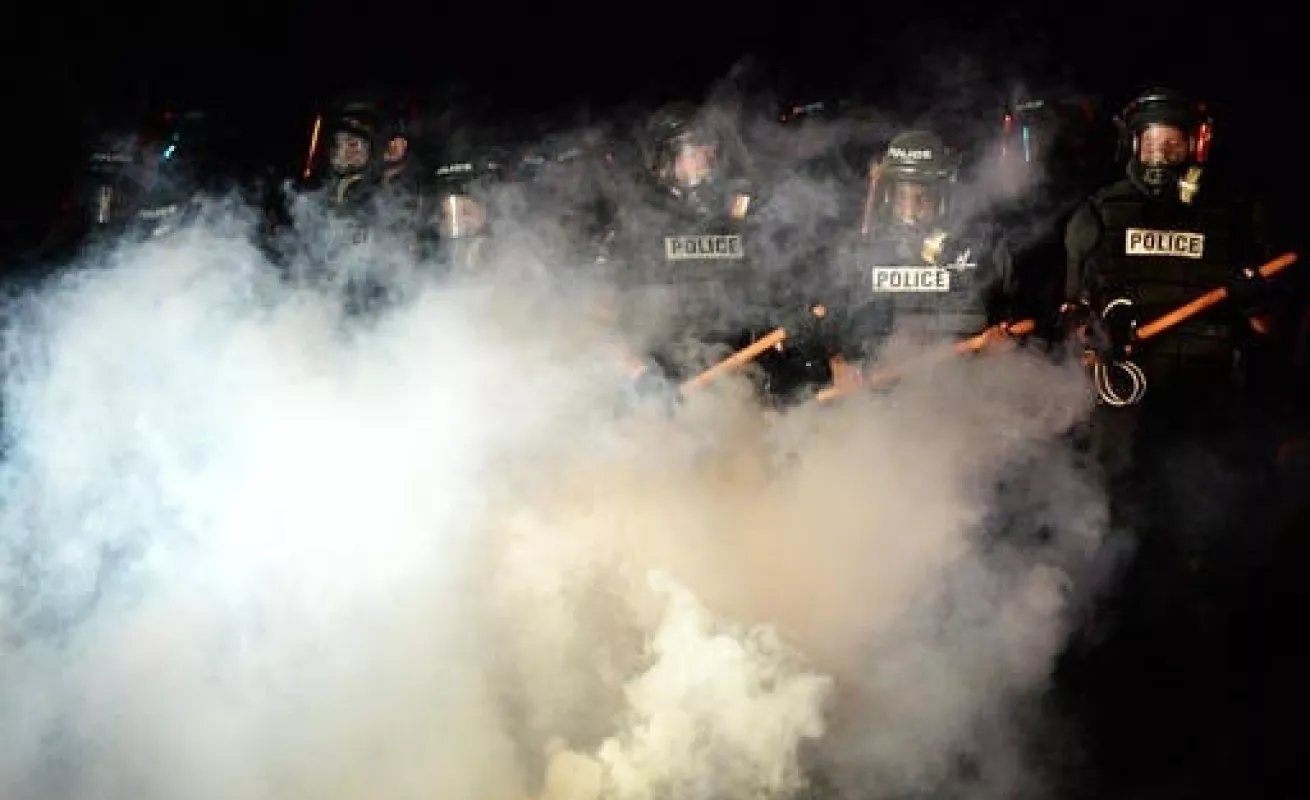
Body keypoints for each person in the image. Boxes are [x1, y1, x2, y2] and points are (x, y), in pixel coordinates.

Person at [1058, 85, 1290, 792]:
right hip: (1123, 422)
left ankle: (1209, 707)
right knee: (1115, 549)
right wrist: (1092, 336)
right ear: (1132, 145)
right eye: (1152, 141)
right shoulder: (1098, 215)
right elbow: (1071, 327)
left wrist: (1256, 303)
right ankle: (1100, 694)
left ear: (1196, 144)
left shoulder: (1237, 214)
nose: (1163, 153)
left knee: (1203, 556)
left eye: (1175, 141)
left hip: (1208, 414)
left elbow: (1268, 333)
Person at [798, 129, 1025, 398]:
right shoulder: (859, 251)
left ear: (943, 194)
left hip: (963, 391)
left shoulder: (980, 247)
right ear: (888, 194)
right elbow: (826, 319)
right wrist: (838, 363)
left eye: (923, 196)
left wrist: (1007, 339)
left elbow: (1020, 312)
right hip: (881, 398)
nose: (913, 207)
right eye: (903, 196)